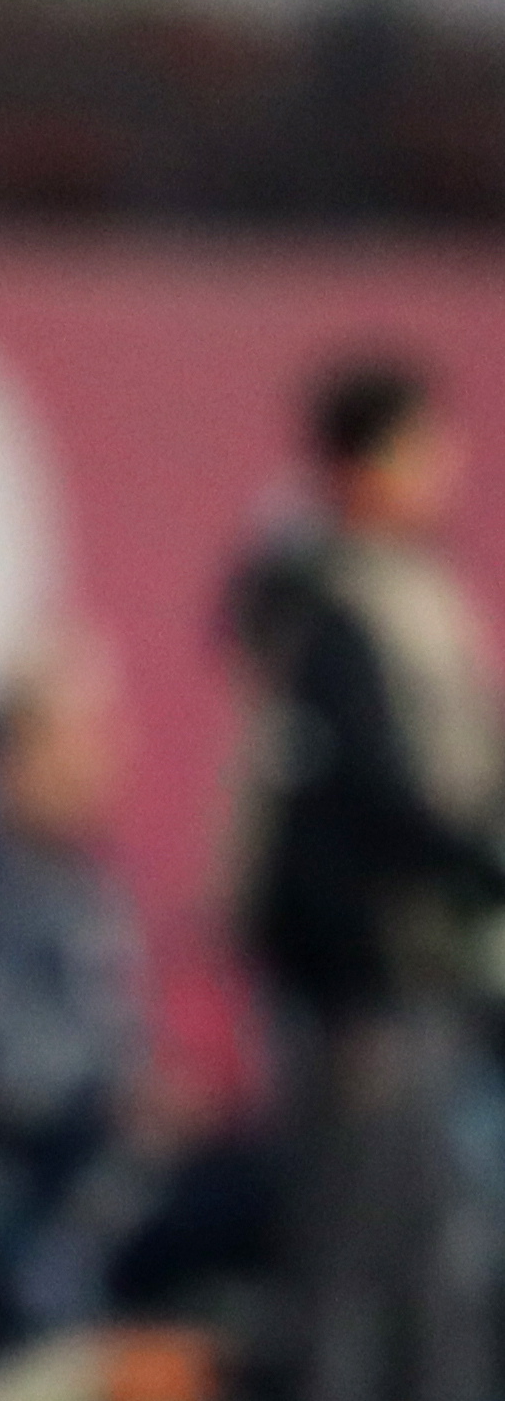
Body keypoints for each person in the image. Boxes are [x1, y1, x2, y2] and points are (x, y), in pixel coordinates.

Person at [229, 359, 505, 1401]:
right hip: (368, 990)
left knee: (427, 1260)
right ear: (362, 465)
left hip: (421, 980)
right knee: (359, 1269)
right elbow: (352, 812)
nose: (442, 471)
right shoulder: (334, 609)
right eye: (418, 449)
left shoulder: (401, 594)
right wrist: (347, 991)